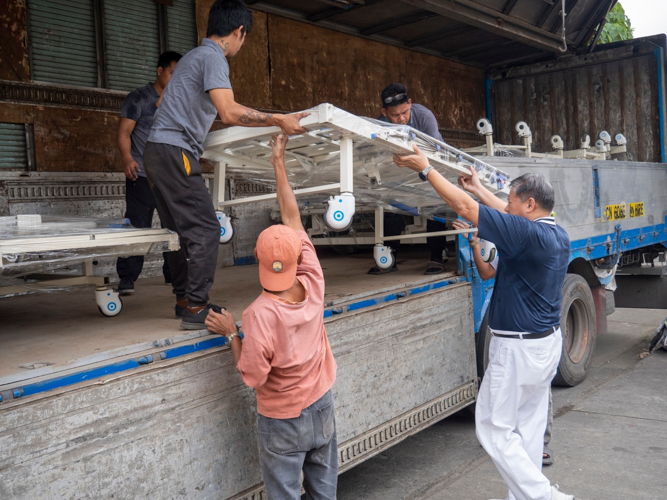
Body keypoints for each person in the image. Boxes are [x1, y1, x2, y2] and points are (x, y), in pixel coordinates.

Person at [393, 146, 577, 500]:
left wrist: (426, 169)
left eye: (511, 200)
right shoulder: (556, 234)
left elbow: (465, 209)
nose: (506, 205)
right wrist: (479, 189)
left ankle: (546, 497)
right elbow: (502, 214)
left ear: (530, 204)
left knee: (492, 427)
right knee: (529, 428)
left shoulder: (527, 236)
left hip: (518, 349)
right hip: (545, 344)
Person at [144, 0, 309, 329]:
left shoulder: (192, 57)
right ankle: (196, 307)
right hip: (175, 151)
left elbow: (164, 101)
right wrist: (279, 119)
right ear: (238, 32)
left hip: (156, 150)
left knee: (179, 230)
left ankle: (184, 299)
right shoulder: (213, 58)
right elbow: (229, 112)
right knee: (206, 228)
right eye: (243, 38)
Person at [205, 133, 338, 500]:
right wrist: (278, 162)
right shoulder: (313, 281)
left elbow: (253, 375)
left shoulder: (258, 314)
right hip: (321, 404)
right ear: (298, 258)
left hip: (282, 421)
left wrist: (232, 334)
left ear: (260, 262)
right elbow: (292, 216)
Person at [454, 219, 555, 467]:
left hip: (531, 338)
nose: (507, 210)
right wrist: (475, 244)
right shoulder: (512, 246)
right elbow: (487, 272)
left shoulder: (539, 241)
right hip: (510, 338)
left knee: (533, 399)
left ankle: (539, 447)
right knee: (508, 408)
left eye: (511, 204)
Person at [116, 51, 182, 295]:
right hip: (141, 175)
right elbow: (124, 132)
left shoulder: (177, 101)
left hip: (169, 177)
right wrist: (127, 158)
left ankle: (172, 275)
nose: (175, 79)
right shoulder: (139, 98)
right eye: (172, 73)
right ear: (159, 71)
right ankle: (127, 278)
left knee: (173, 227)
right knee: (137, 227)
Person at [370, 82, 449, 276]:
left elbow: (435, 151)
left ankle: (436, 257)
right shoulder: (380, 123)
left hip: (432, 165)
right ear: (384, 111)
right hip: (401, 170)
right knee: (390, 205)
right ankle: (390, 257)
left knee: (434, 205)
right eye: (395, 115)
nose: (400, 119)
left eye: (404, 113)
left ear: (410, 104)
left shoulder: (424, 116)